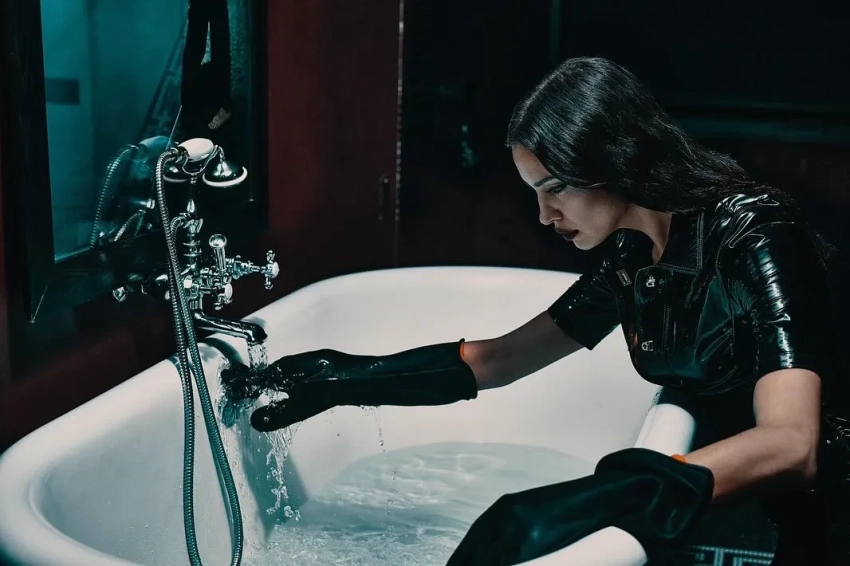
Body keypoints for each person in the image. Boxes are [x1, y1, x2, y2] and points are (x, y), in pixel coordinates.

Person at [222, 57, 849, 564]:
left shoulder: (755, 233)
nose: (545, 217)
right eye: (535, 193)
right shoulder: (633, 253)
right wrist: (344, 377)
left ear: (616, 160)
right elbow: (500, 360)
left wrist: (607, 490)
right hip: (745, 503)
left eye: (556, 189)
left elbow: (793, 443)